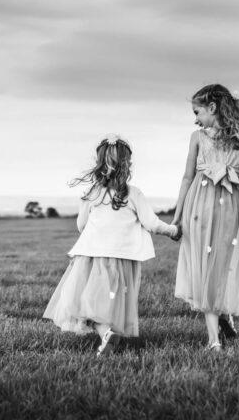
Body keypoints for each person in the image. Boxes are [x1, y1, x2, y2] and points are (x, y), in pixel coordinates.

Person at [43, 134, 179, 356]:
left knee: (81, 302)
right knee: (109, 301)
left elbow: (81, 226)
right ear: (126, 165)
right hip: (123, 259)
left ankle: (106, 334)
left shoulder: (92, 193)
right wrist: (173, 231)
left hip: (92, 258)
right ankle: (108, 333)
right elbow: (152, 224)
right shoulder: (133, 193)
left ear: (100, 164)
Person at [171, 84, 239, 352]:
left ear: (212, 108)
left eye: (197, 111)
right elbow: (189, 176)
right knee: (212, 265)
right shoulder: (207, 137)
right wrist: (177, 217)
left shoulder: (232, 139)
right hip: (214, 208)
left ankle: (215, 338)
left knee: (214, 266)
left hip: (216, 206)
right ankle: (219, 327)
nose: (195, 119)